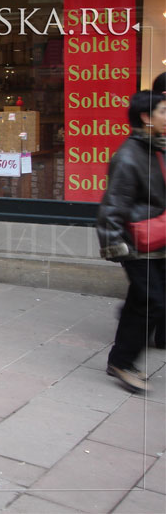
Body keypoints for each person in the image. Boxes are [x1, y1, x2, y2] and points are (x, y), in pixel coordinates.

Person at [96, 90, 166, 391]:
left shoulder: (158, 149)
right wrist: (116, 247)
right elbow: (112, 206)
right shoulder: (128, 156)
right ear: (146, 118)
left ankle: (119, 359)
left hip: (160, 239)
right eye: (164, 111)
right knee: (153, 302)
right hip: (138, 244)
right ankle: (123, 362)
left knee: (143, 301)